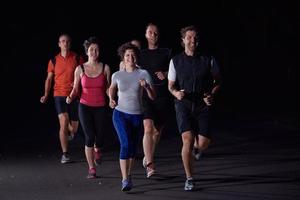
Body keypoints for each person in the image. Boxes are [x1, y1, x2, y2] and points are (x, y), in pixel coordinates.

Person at [168, 25, 221, 191]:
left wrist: (211, 94)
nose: (192, 40)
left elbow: (218, 81)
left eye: (195, 37)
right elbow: (170, 86)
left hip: (202, 104)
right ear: (183, 40)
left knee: (203, 143)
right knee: (187, 140)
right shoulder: (175, 61)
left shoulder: (208, 59)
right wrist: (176, 94)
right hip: (183, 104)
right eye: (189, 37)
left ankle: (198, 149)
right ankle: (189, 178)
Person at [109, 42, 155, 191]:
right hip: (120, 114)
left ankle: (129, 176)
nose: (130, 57)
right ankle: (124, 179)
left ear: (137, 57)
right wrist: (111, 99)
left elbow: (153, 96)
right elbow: (111, 88)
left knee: (133, 149)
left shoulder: (144, 74)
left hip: (137, 115)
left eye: (133, 55)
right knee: (125, 144)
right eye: (127, 55)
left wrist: (146, 87)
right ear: (123, 57)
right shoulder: (117, 75)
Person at [66, 36, 111, 179]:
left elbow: (109, 87)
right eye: (91, 49)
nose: (94, 52)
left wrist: (112, 99)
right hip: (84, 106)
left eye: (96, 49)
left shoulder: (105, 68)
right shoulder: (79, 69)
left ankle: (98, 148)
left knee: (101, 136)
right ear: (87, 51)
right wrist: (70, 97)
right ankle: (91, 168)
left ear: (99, 52)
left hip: (101, 107)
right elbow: (75, 89)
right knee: (89, 136)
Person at [40, 33, 84, 164]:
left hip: (74, 94)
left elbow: (83, 75)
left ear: (70, 44)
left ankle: (69, 132)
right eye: (62, 41)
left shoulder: (77, 58)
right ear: (59, 44)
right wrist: (45, 94)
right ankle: (65, 154)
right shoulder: (53, 61)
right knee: (64, 121)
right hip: (59, 94)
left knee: (74, 129)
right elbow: (49, 79)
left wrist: (78, 85)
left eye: (67, 41)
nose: (65, 43)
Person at [138, 23, 172, 178]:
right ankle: (150, 165)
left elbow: (175, 70)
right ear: (145, 35)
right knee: (148, 128)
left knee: (157, 132)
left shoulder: (166, 52)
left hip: (163, 97)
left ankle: (148, 154)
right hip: (146, 97)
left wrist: (165, 73)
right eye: (150, 32)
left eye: (156, 33)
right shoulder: (141, 54)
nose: (153, 35)